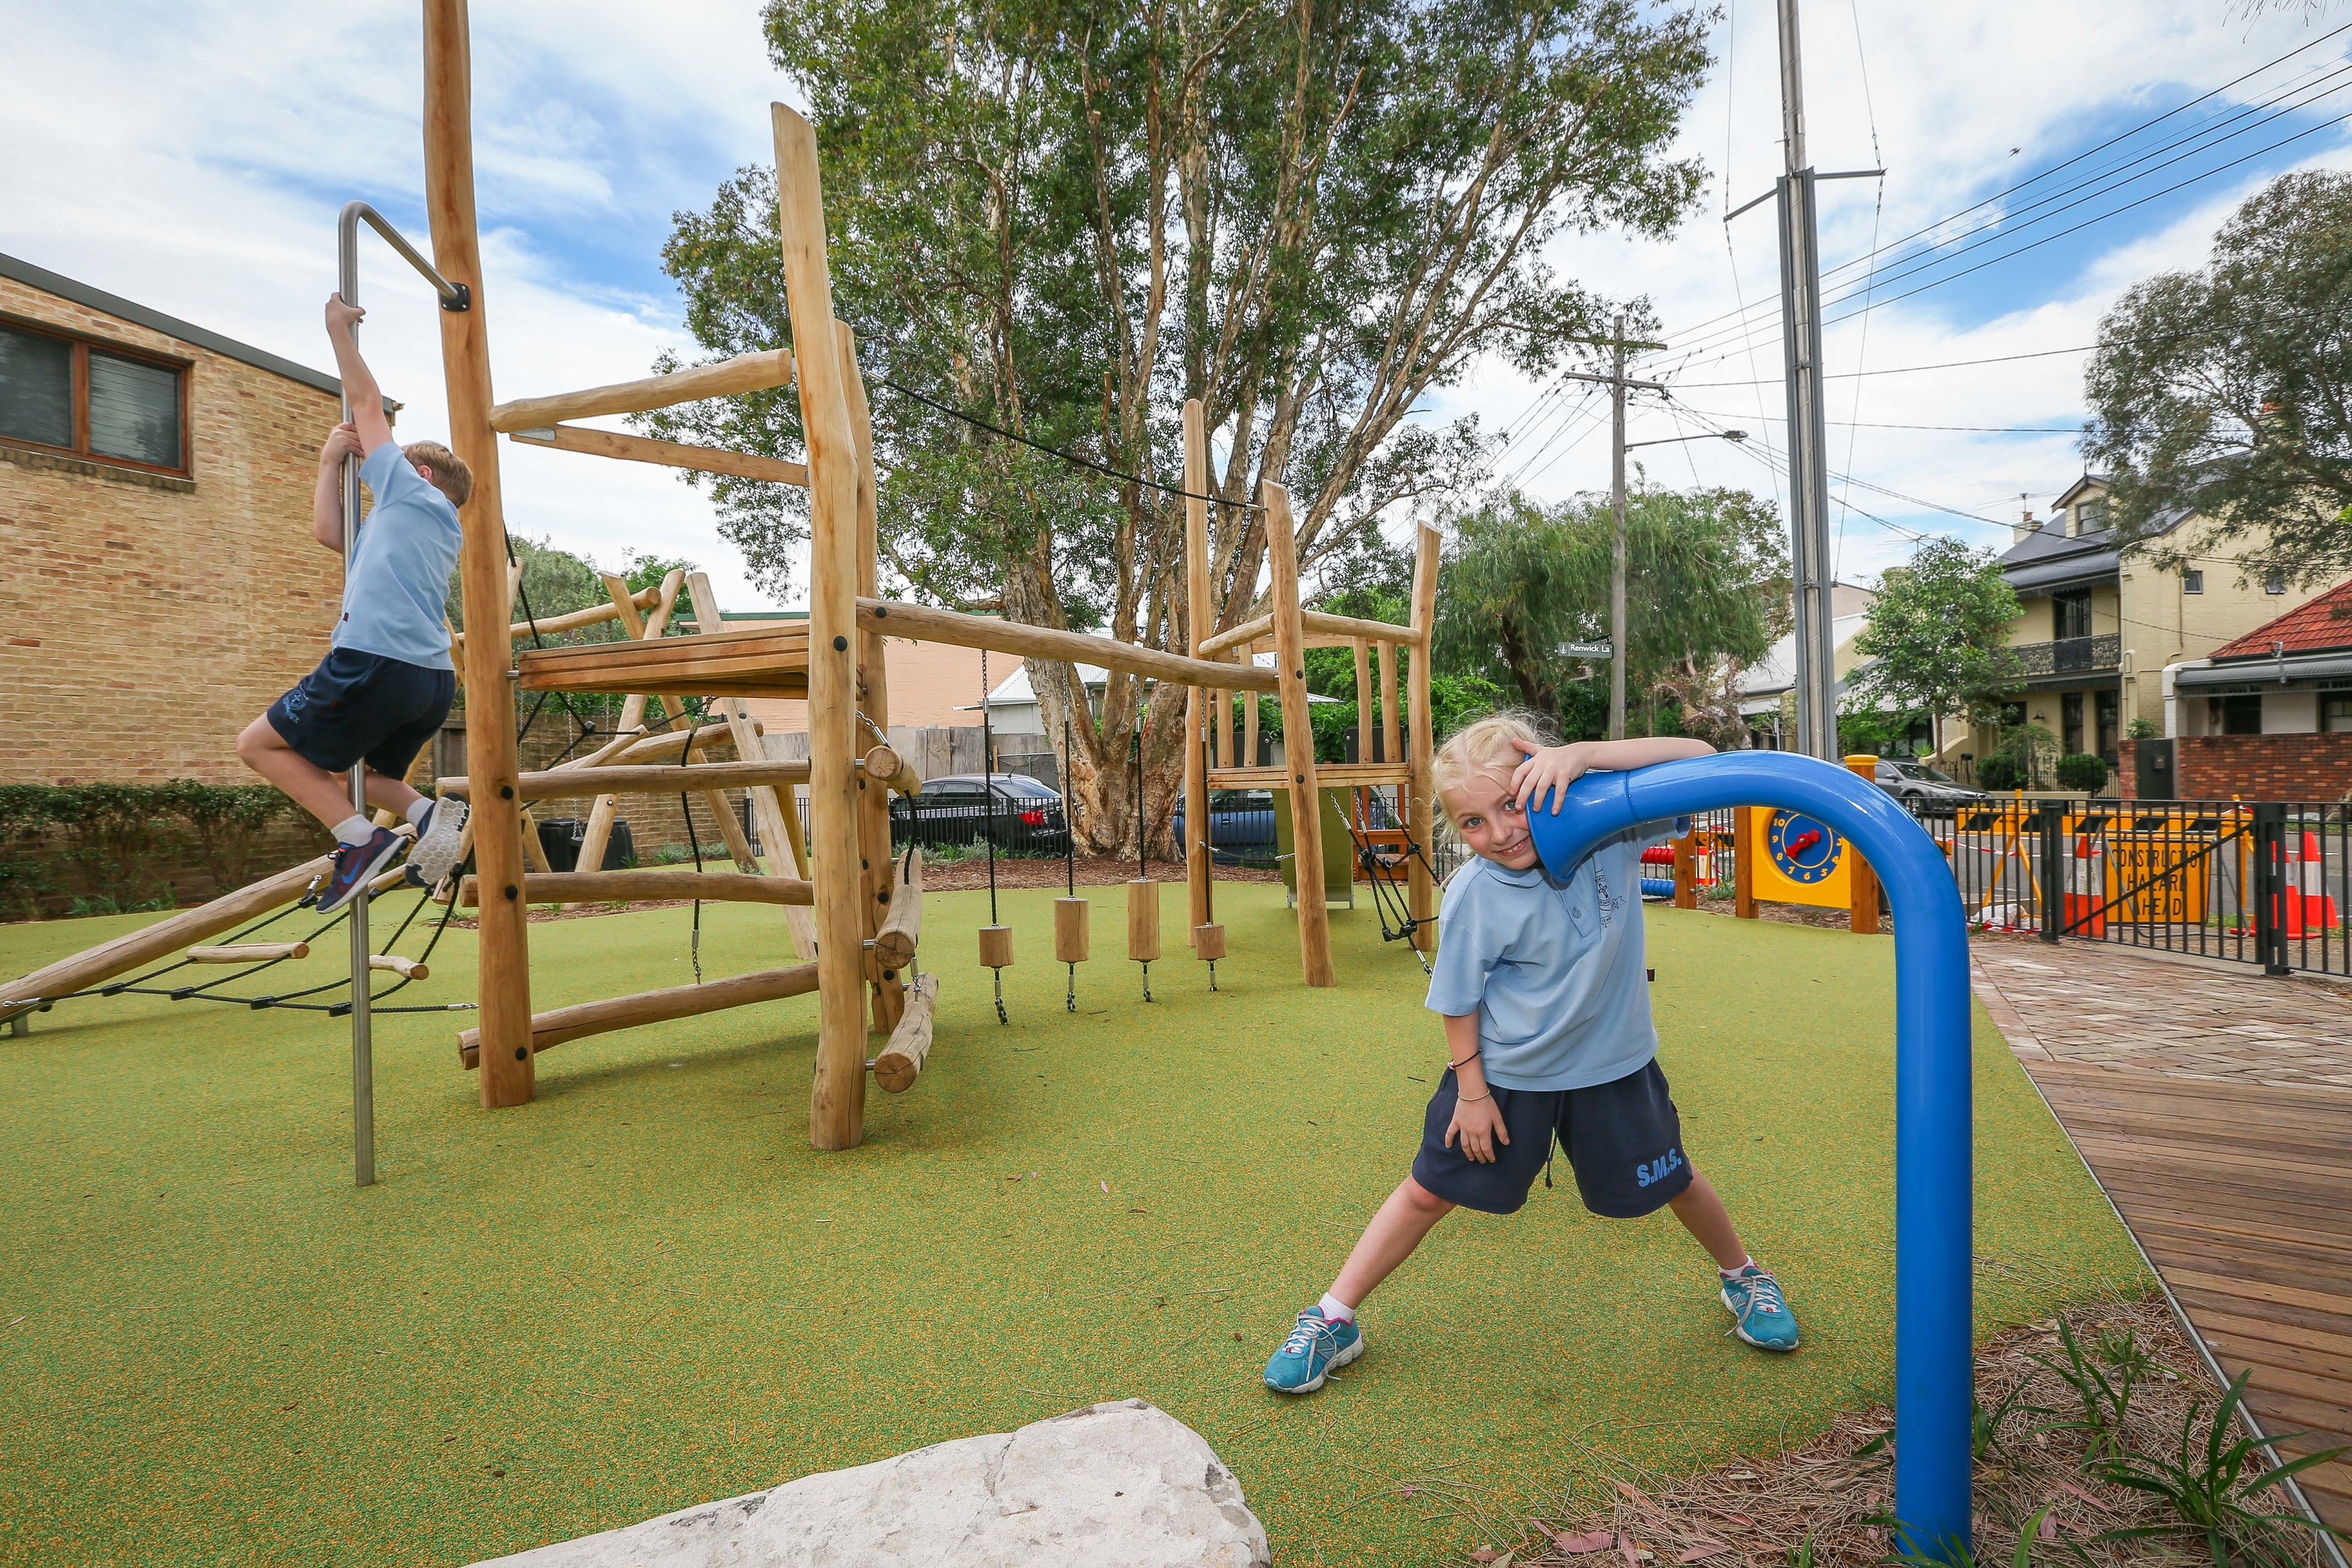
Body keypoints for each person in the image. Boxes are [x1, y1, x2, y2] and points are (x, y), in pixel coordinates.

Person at [1262, 713, 1798, 1396]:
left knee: (1678, 1181)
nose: (1500, 833)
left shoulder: (1614, 836)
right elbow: (1458, 1001)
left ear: (1548, 783)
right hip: (1507, 1078)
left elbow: (1701, 759)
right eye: (1472, 823)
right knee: (1428, 1191)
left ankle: (1744, 1278)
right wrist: (1474, 1096)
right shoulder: (1474, 895)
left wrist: (1588, 753)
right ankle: (1333, 1317)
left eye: (1511, 804)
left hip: (1616, 1068)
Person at [235, 294, 470, 913]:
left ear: (417, 476)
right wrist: (328, 460)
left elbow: (367, 402)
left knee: (257, 745)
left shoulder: (412, 496)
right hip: (431, 679)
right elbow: (331, 536)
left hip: (374, 661)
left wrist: (336, 331)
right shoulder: (429, 526)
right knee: (363, 777)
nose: (374, 464)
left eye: (385, 461)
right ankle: (428, 816)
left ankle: (359, 841)